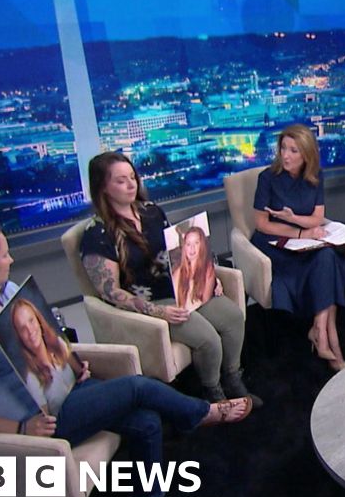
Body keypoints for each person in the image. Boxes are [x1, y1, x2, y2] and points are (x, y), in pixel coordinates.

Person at [0, 221, 254, 497]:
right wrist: (20, 428)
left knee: (147, 421)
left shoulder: (4, 294)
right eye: (3, 255)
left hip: (63, 391)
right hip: (37, 421)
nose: (11, 260)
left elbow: (45, 341)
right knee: (137, 386)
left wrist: (72, 365)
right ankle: (201, 413)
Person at [80, 152, 261, 405]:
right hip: (148, 304)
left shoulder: (151, 212)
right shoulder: (96, 234)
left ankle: (232, 377)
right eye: (121, 181)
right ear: (103, 187)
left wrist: (208, 277)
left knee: (232, 317)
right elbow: (111, 292)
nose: (131, 184)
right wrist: (159, 312)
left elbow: (177, 254)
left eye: (132, 177)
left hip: (178, 288)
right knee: (208, 339)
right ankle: (213, 392)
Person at [251, 124, 345, 372]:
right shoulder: (267, 178)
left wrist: (295, 219)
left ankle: (321, 331)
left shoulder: (315, 176)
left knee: (327, 257)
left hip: (305, 243)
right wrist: (300, 232)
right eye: (283, 148)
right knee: (329, 263)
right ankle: (330, 343)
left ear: (306, 154)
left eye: (293, 150)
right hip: (274, 245)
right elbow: (261, 224)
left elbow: (317, 218)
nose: (286, 155)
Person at [12, 299, 78, 413]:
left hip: (81, 391)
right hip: (68, 416)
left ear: (39, 321)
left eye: (31, 321)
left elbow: (79, 371)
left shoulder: (58, 343)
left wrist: (83, 371)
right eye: (23, 329)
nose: (30, 331)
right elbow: (47, 418)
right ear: (20, 338)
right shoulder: (32, 378)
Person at [172, 226, 216, 311]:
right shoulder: (178, 273)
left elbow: (206, 304)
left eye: (196, 243)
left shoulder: (208, 269)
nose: (192, 248)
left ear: (202, 245)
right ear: (184, 248)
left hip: (200, 313)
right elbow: (175, 303)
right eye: (188, 244)